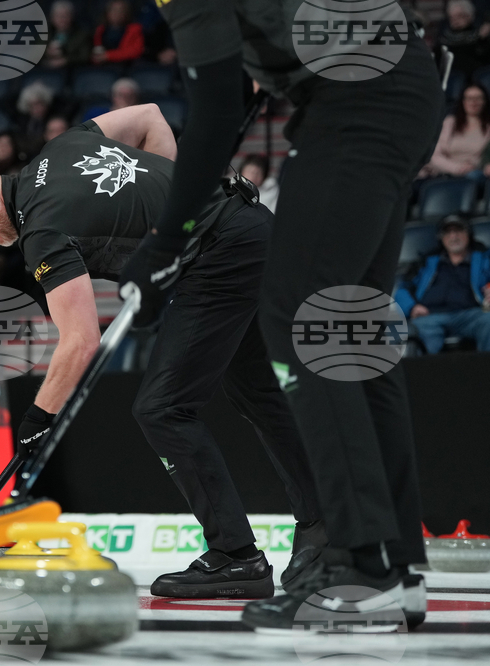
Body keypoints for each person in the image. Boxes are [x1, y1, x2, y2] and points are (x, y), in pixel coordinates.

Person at [118, 0, 442, 631]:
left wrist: (164, 246)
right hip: (398, 84)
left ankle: (359, 563)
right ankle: (392, 564)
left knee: (305, 318)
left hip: (360, 100)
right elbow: (236, 96)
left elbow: (211, 110)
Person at [0, 104, 327, 599]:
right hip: (247, 226)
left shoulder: (42, 233)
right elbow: (151, 117)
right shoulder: (64, 146)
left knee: (162, 408)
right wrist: (173, 219)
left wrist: (36, 422)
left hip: (223, 250)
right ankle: (324, 529)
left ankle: (235, 556)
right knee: (258, 393)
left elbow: (79, 341)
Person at [396, 215, 490, 353]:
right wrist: (412, 307)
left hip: (470, 315)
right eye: (448, 232)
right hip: (430, 317)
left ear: (468, 233)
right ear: (441, 237)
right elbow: (402, 289)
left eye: (458, 230)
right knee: (415, 333)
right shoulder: (425, 262)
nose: (453, 236)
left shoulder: (483, 258)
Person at [420, 84, 490, 179]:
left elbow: (485, 158)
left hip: (472, 173)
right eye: (469, 98)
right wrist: (457, 168)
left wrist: (473, 167)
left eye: (478, 98)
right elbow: (435, 155)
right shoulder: (450, 122)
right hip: (442, 171)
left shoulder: (488, 128)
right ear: (463, 101)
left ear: (484, 101)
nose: (473, 102)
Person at [435, 0, 490, 80]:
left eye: (459, 16)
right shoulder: (444, 39)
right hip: (451, 78)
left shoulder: (480, 36)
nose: (455, 20)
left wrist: (481, 38)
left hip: (475, 78)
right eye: (452, 17)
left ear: (469, 16)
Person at [91, 0, 145, 64]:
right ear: (107, 13)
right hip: (103, 67)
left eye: (120, 10)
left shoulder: (134, 29)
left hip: (126, 67)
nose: (117, 13)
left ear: (126, 13)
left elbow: (135, 51)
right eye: (113, 10)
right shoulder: (100, 30)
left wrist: (108, 56)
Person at [43, 0, 91, 69]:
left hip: (72, 71)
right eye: (59, 16)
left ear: (71, 17)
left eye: (65, 16)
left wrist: (66, 60)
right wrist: (47, 52)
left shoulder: (82, 34)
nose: (62, 19)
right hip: (47, 71)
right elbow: (34, 54)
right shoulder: (45, 33)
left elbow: (84, 56)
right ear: (52, 18)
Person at [15, 81, 56, 156]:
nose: (38, 108)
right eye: (33, 105)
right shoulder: (22, 122)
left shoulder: (52, 121)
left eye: (41, 104)